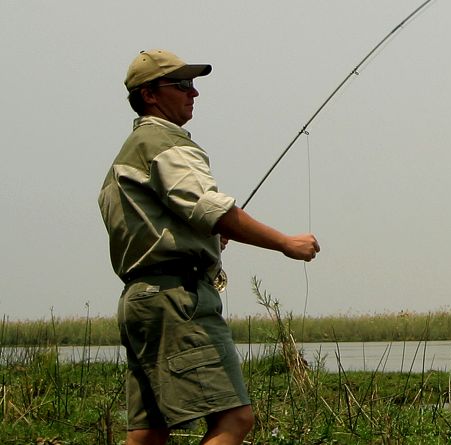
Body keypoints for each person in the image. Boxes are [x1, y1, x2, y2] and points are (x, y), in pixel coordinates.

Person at [98, 49, 320, 445]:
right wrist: (286, 243)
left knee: (148, 432)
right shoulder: (164, 142)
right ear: (150, 95)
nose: (194, 93)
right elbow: (211, 209)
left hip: (141, 301)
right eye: (181, 84)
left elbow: (146, 228)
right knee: (235, 419)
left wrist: (203, 240)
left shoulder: (126, 155)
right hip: (177, 303)